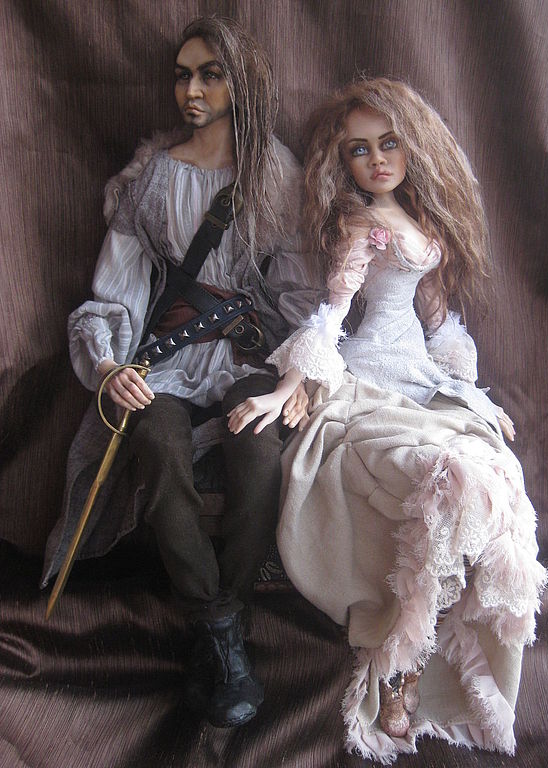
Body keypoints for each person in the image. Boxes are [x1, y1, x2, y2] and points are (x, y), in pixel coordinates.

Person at [228, 78, 548, 763]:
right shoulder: (360, 225)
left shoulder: (424, 222)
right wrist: (287, 389)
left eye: (389, 143)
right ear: (342, 161)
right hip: (370, 377)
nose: (376, 160)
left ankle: (434, 654)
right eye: (358, 149)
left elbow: (437, 319)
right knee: (434, 480)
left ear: (413, 145)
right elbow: (334, 313)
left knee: (491, 471)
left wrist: (473, 394)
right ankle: (399, 668)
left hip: (423, 378)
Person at [41, 16, 317, 729]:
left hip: (251, 354)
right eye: (182, 75)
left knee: (257, 452)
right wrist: (108, 365)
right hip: (165, 357)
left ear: (241, 83)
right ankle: (219, 632)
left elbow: (300, 296)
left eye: (210, 74)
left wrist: (301, 374)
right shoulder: (152, 179)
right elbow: (117, 290)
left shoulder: (276, 176)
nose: (191, 90)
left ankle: (223, 625)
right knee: (155, 444)